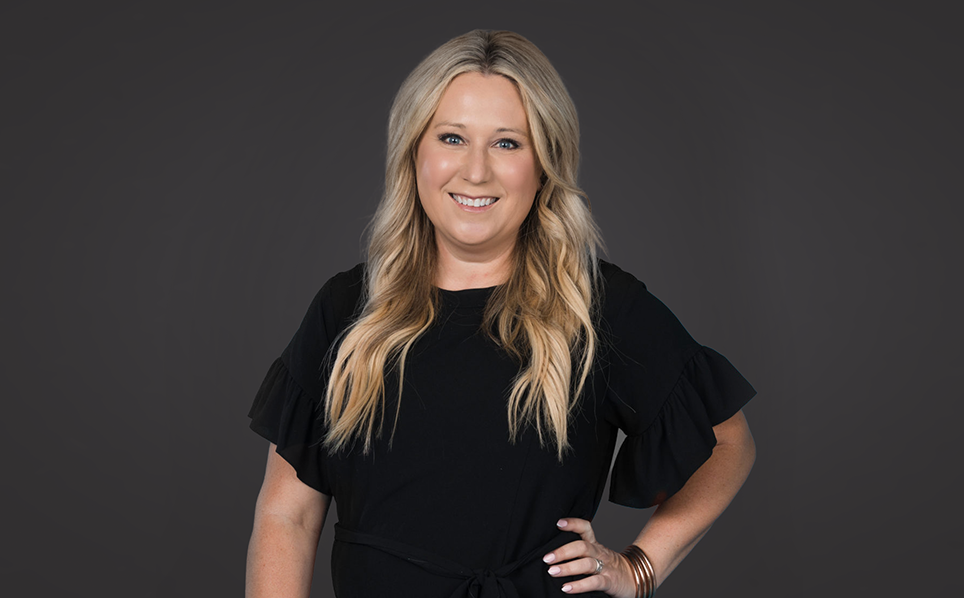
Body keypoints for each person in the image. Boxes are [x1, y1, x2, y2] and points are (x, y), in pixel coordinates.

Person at [246, 29, 757, 598]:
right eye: (452, 137)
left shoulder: (597, 307)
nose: (476, 171)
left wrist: (640, 568)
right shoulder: (346, 309)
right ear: (414, 152)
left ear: (544, 166)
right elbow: (287, 517)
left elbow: (728, 442)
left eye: (508, 143)